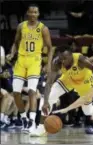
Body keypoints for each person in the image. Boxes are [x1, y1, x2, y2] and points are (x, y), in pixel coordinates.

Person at [30, 47, 93, 136]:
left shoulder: (80, 60)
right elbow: (49, 83)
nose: (63, 61)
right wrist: (45, 102)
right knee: (48, 98)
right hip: (69, 79)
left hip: (85, 82)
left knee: (87, 111)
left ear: (71, 55)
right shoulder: (57, 63)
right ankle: (40, 128)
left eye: (65, 58)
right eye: (61, 58)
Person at [6, 4, 53, 133]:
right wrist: (12, 52)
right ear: (27, 13)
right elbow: (15, 43)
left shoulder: (43, 29)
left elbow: (50, 48)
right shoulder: (21, 26)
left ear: (38, 14)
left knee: (32, 91)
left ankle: (32, 121)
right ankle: (23, 118)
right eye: (31, 12)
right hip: (21, 61)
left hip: (34, 61)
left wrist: (48, 64)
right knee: (16, 93)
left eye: (35, 12)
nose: (33, 14)